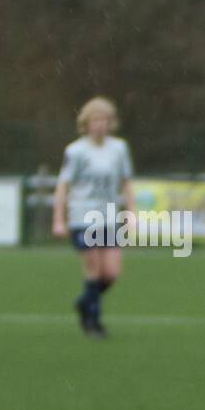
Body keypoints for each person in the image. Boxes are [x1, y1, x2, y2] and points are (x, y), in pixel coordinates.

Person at [51, 96, 133, 338]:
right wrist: (59, 219)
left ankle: (84, 301)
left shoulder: (119, 148)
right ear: (86, 123)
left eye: (105, 120)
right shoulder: (75, 151)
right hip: (82, 217)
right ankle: (93, 323)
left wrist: (131, 212)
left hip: (109, 217)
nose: (100, 125)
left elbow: (126, 182)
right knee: (94, 271)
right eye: (96, 120)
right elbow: (63, 186)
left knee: (112, 274)